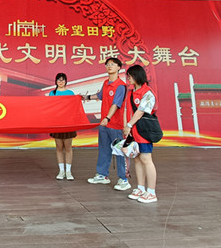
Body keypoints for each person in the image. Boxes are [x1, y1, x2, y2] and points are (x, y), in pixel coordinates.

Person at [84, 57, 130, 190]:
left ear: (119, 68)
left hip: (115, 124)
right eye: (107, 64)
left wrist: (108, 118)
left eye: (112, 64)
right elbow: (100, 96)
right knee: (104, 150)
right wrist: (85, 97)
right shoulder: (105, 83)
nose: (109, 66)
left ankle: (124, 179)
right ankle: (102, 175)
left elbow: (116, 104)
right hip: (104, 124)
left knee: (120, 151)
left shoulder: (120, 85)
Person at [123, 64, 158, 204]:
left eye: (130, 76)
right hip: (133, 132)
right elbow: (128, 110)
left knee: (146, 159)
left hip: (144, 131)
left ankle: (151, 192)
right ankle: (141, 188)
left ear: (137, 76)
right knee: (137, 159)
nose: (128, 79)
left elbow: (140, 111)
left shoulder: (148, 93)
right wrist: (127, 128)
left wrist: (129, 125)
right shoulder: (131, 92)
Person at [49, 73, 77, 180]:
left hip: (68, 123)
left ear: (66, 81)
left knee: (68, 147)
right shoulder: (52, 93)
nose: (61, 82)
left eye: (63, 80)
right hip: (57, 123)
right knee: (59, 147)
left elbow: (74, 108)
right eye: (59, 80)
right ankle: (61, 171)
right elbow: (49, 107)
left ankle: (68, 172)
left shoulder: (70, 93)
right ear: (56, 81)